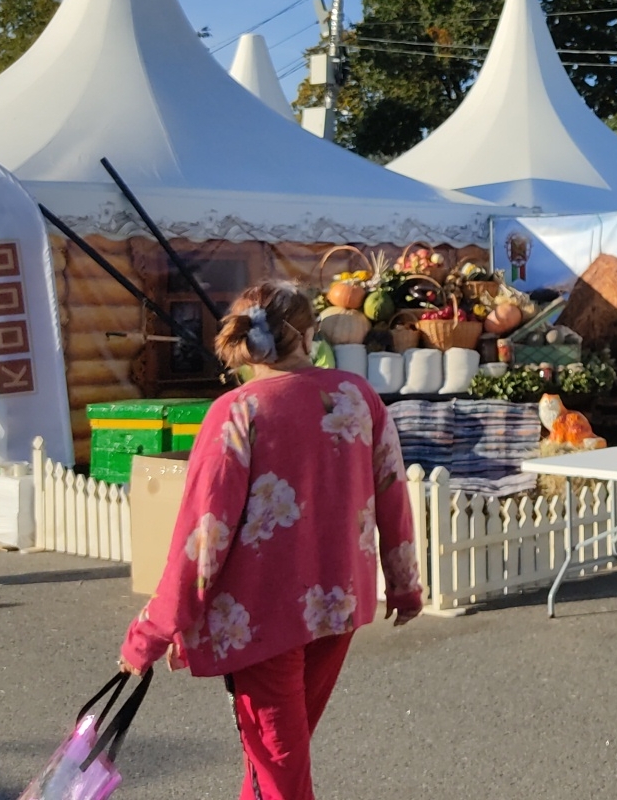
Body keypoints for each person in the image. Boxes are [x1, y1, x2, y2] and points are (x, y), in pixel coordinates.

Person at [119, 280, 423, 800]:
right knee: (278, 756)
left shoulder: (236, 413)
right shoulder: (358, 398)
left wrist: (155, 627)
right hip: (338, 603)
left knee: (278, 765)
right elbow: (393, 491)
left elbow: (204, 533)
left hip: (259, 615)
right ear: (308, 336)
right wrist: (404, 584)